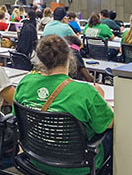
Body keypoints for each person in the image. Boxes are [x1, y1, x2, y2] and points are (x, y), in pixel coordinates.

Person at [13, 35, 113, 175]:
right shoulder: (85, 92)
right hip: (78, 167)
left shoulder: (25, 83)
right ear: (69, 57)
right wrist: (101, 99)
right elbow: (110, 123)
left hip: (36, 158)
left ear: (41, 59)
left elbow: (16, 117)